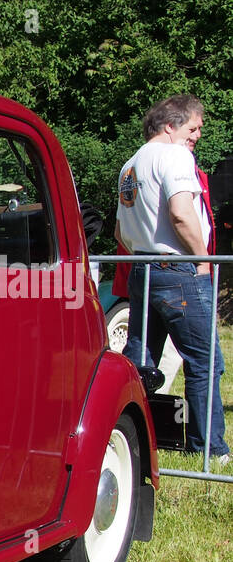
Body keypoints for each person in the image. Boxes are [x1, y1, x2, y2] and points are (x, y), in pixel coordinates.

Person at [115, 94, 228, 461]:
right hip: (178, 269)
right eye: (193, 128)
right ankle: (209, 449)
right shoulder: (176, 156)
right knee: (204, 361)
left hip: (142, 269)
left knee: (140, 363)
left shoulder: (130, 165)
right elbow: (181, 213)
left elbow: (119, 230)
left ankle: (131, 440)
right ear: (171, 125)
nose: (196, 136)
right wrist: (203, 260)